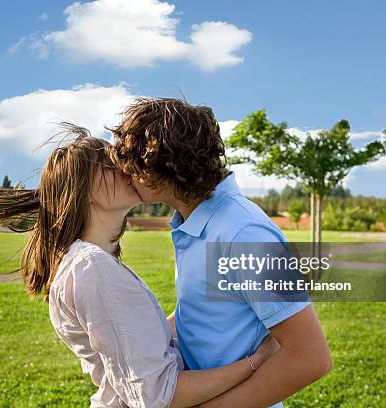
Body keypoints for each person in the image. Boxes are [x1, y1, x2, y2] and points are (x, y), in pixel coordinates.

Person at [0, 124, 280, 408]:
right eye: (108, 165)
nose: (127, 169)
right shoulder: (91, 269)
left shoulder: (87, 263)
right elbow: (158, 395)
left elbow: (135, 335)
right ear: (81, 190)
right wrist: (258, 360)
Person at [110, 98, 333, 408]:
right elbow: (204, 313)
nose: (123, 171)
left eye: (132, 160)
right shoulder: (192, 222)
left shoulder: (245, 234)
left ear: (164, 164)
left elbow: (310, 358)